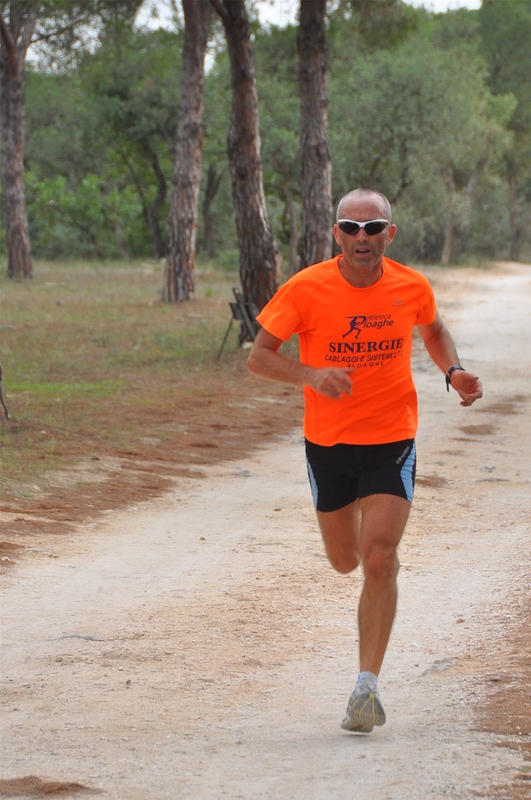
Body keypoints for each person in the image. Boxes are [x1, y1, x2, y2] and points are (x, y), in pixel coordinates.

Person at [247, 188, 483, 733]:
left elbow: (434, 329)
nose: (361, 237)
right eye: (350, 227)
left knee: (378, 557)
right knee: (345, 560)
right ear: (336, 234)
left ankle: (365, 688)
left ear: (388, 235)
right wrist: (310, 375)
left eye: (372, 228)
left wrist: (453, 371)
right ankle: (360, 529)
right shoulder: (306, 288)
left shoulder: (411, 285)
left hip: (390, 439)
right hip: (327, 445)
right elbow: (259, 357)